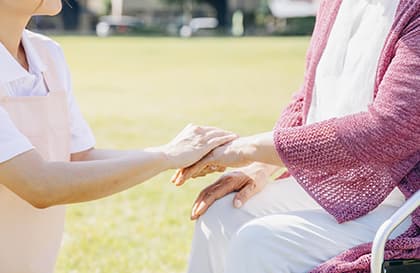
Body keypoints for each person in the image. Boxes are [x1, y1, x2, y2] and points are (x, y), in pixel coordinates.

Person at [173, 0, 420, 272]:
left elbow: (389, 129)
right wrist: (262, 166)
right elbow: (309, 96)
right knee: (221, 213)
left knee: (260, 243)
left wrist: (249, 149)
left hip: (404, 203)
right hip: (338, 184)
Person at [0, 1, 238, 273]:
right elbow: (38, 184)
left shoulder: (47, 54)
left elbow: (79, 158)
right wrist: (167, 156)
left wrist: (178, 154)